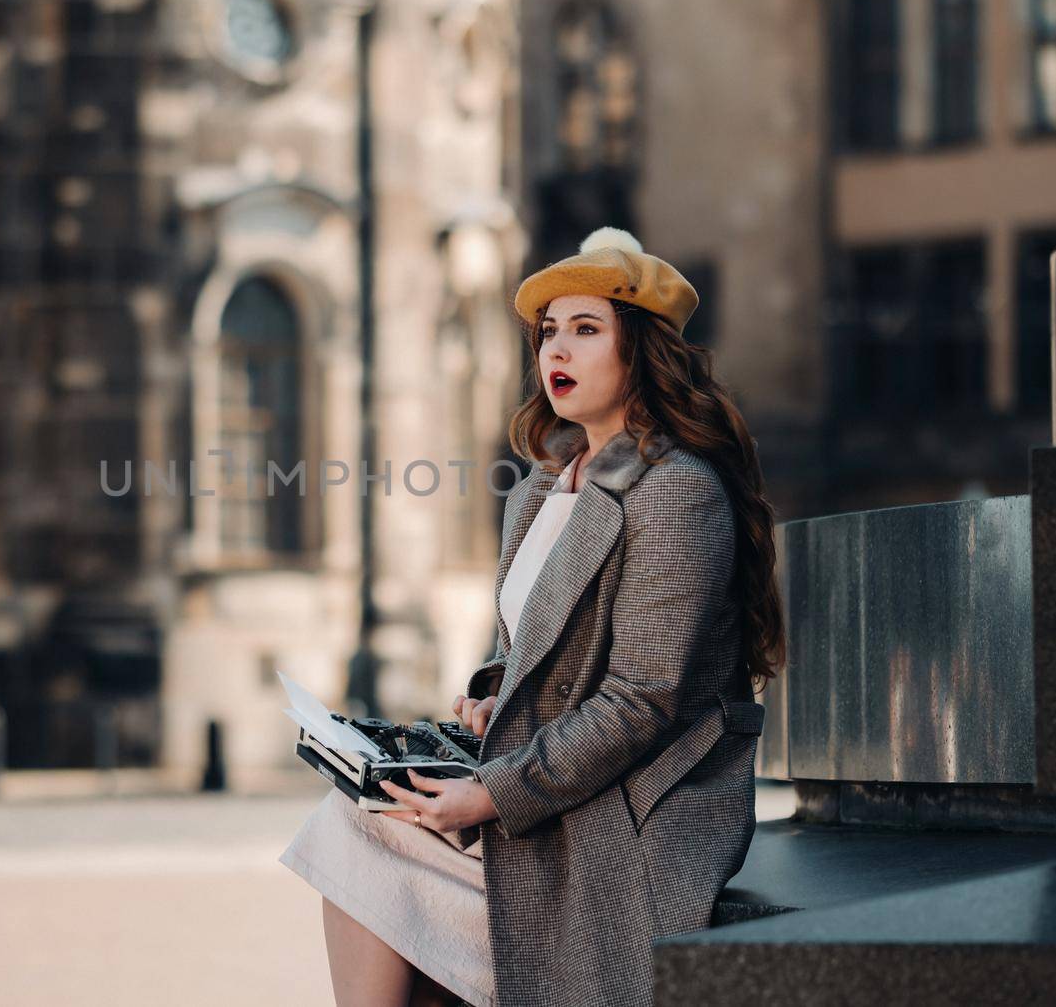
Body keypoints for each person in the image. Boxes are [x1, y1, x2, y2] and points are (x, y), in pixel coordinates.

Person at [279, 227, 786, 1007]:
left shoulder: (677, 490)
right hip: (552, 793)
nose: (560, 350)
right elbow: (527, 655)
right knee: (356, 818)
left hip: (630, 822)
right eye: (550, 331)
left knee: (358, 842)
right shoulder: (540, 493)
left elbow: (640, 702)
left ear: (640, 350)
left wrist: (490, 795)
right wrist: (491, 700)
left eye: (587, 329)